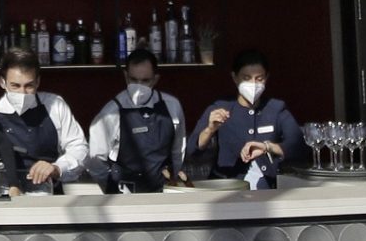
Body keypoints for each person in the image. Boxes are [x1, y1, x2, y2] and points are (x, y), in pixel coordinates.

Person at [191, 48, 308, 188]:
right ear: (235, 78)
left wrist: (267, 147)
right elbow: (192, 150)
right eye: (246, 78)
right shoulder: (220, 108)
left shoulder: (276, 109)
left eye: (259, 78)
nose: (253, 84)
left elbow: (299, 147)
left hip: (267, 188)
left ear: (266, 78)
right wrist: (210, 130)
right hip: (228, 187)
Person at [0, 49, 87, 196]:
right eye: (15, 86)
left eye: (29, 86)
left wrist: (57, 168)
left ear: (38, 82)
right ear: (2, 82)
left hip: (51, 195)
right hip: (6, 198)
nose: (22, 93)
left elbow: (79, 147)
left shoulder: (55, 105)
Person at [88, 48, 186, 192]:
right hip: (124, 197)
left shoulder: (172, 106)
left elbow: (178, 151)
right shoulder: (110, 113)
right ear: (126, 77)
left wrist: (174, 180)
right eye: (134, 80)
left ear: (155, 79)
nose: (139, 87)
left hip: (164, 195)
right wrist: (111, 188)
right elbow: (95, 161)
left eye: (145, 81)